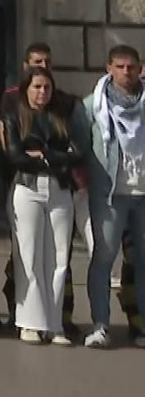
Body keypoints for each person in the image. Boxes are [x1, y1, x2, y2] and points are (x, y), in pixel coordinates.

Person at [4, 66, 82, 345]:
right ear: (26, 89)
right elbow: (15, 156)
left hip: (59, 190)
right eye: (37, 87)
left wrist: (46, 155)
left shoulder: (61, 117)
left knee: (60, 258)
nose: (42, 92)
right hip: (27, 189)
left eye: (47, 87)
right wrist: (57, 157)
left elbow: (77, 155)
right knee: (29, 255)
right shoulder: (15, 115)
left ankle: (55, 323)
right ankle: (29, 322)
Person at [80, 44, 145, 348]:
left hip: (142, 193)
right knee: (104, 258)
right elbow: (79, 144)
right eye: (120, 67)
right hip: (110, 195)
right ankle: (100, 324)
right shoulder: (93, 106)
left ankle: (142, 326)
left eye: (131, 66)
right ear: (108, 68)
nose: (126, 72)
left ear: (140, 68)